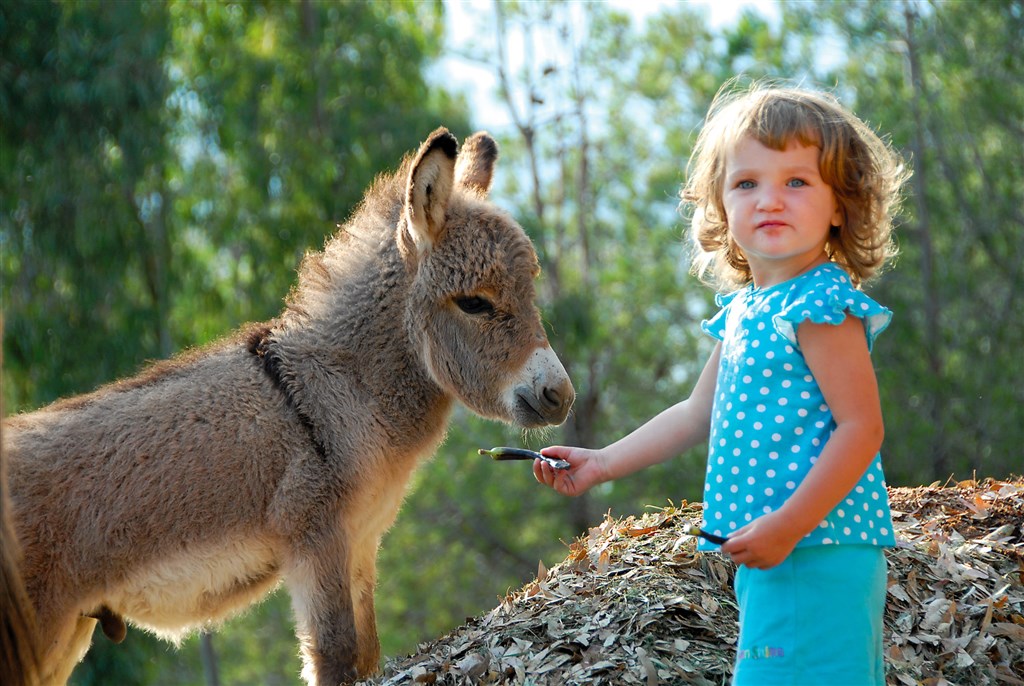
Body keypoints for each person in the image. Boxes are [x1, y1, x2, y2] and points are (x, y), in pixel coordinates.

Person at [534, 81, 909, 685]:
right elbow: (692, 413)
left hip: (816, 544)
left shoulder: (819, 304)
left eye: (797, 181)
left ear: (839, 204)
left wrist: (788, 527)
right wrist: (601, 462)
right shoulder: (747, 310)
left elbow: (862, 427)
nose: (770, 200)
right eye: (747, 183)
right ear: (720, 205)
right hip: (776, 547)